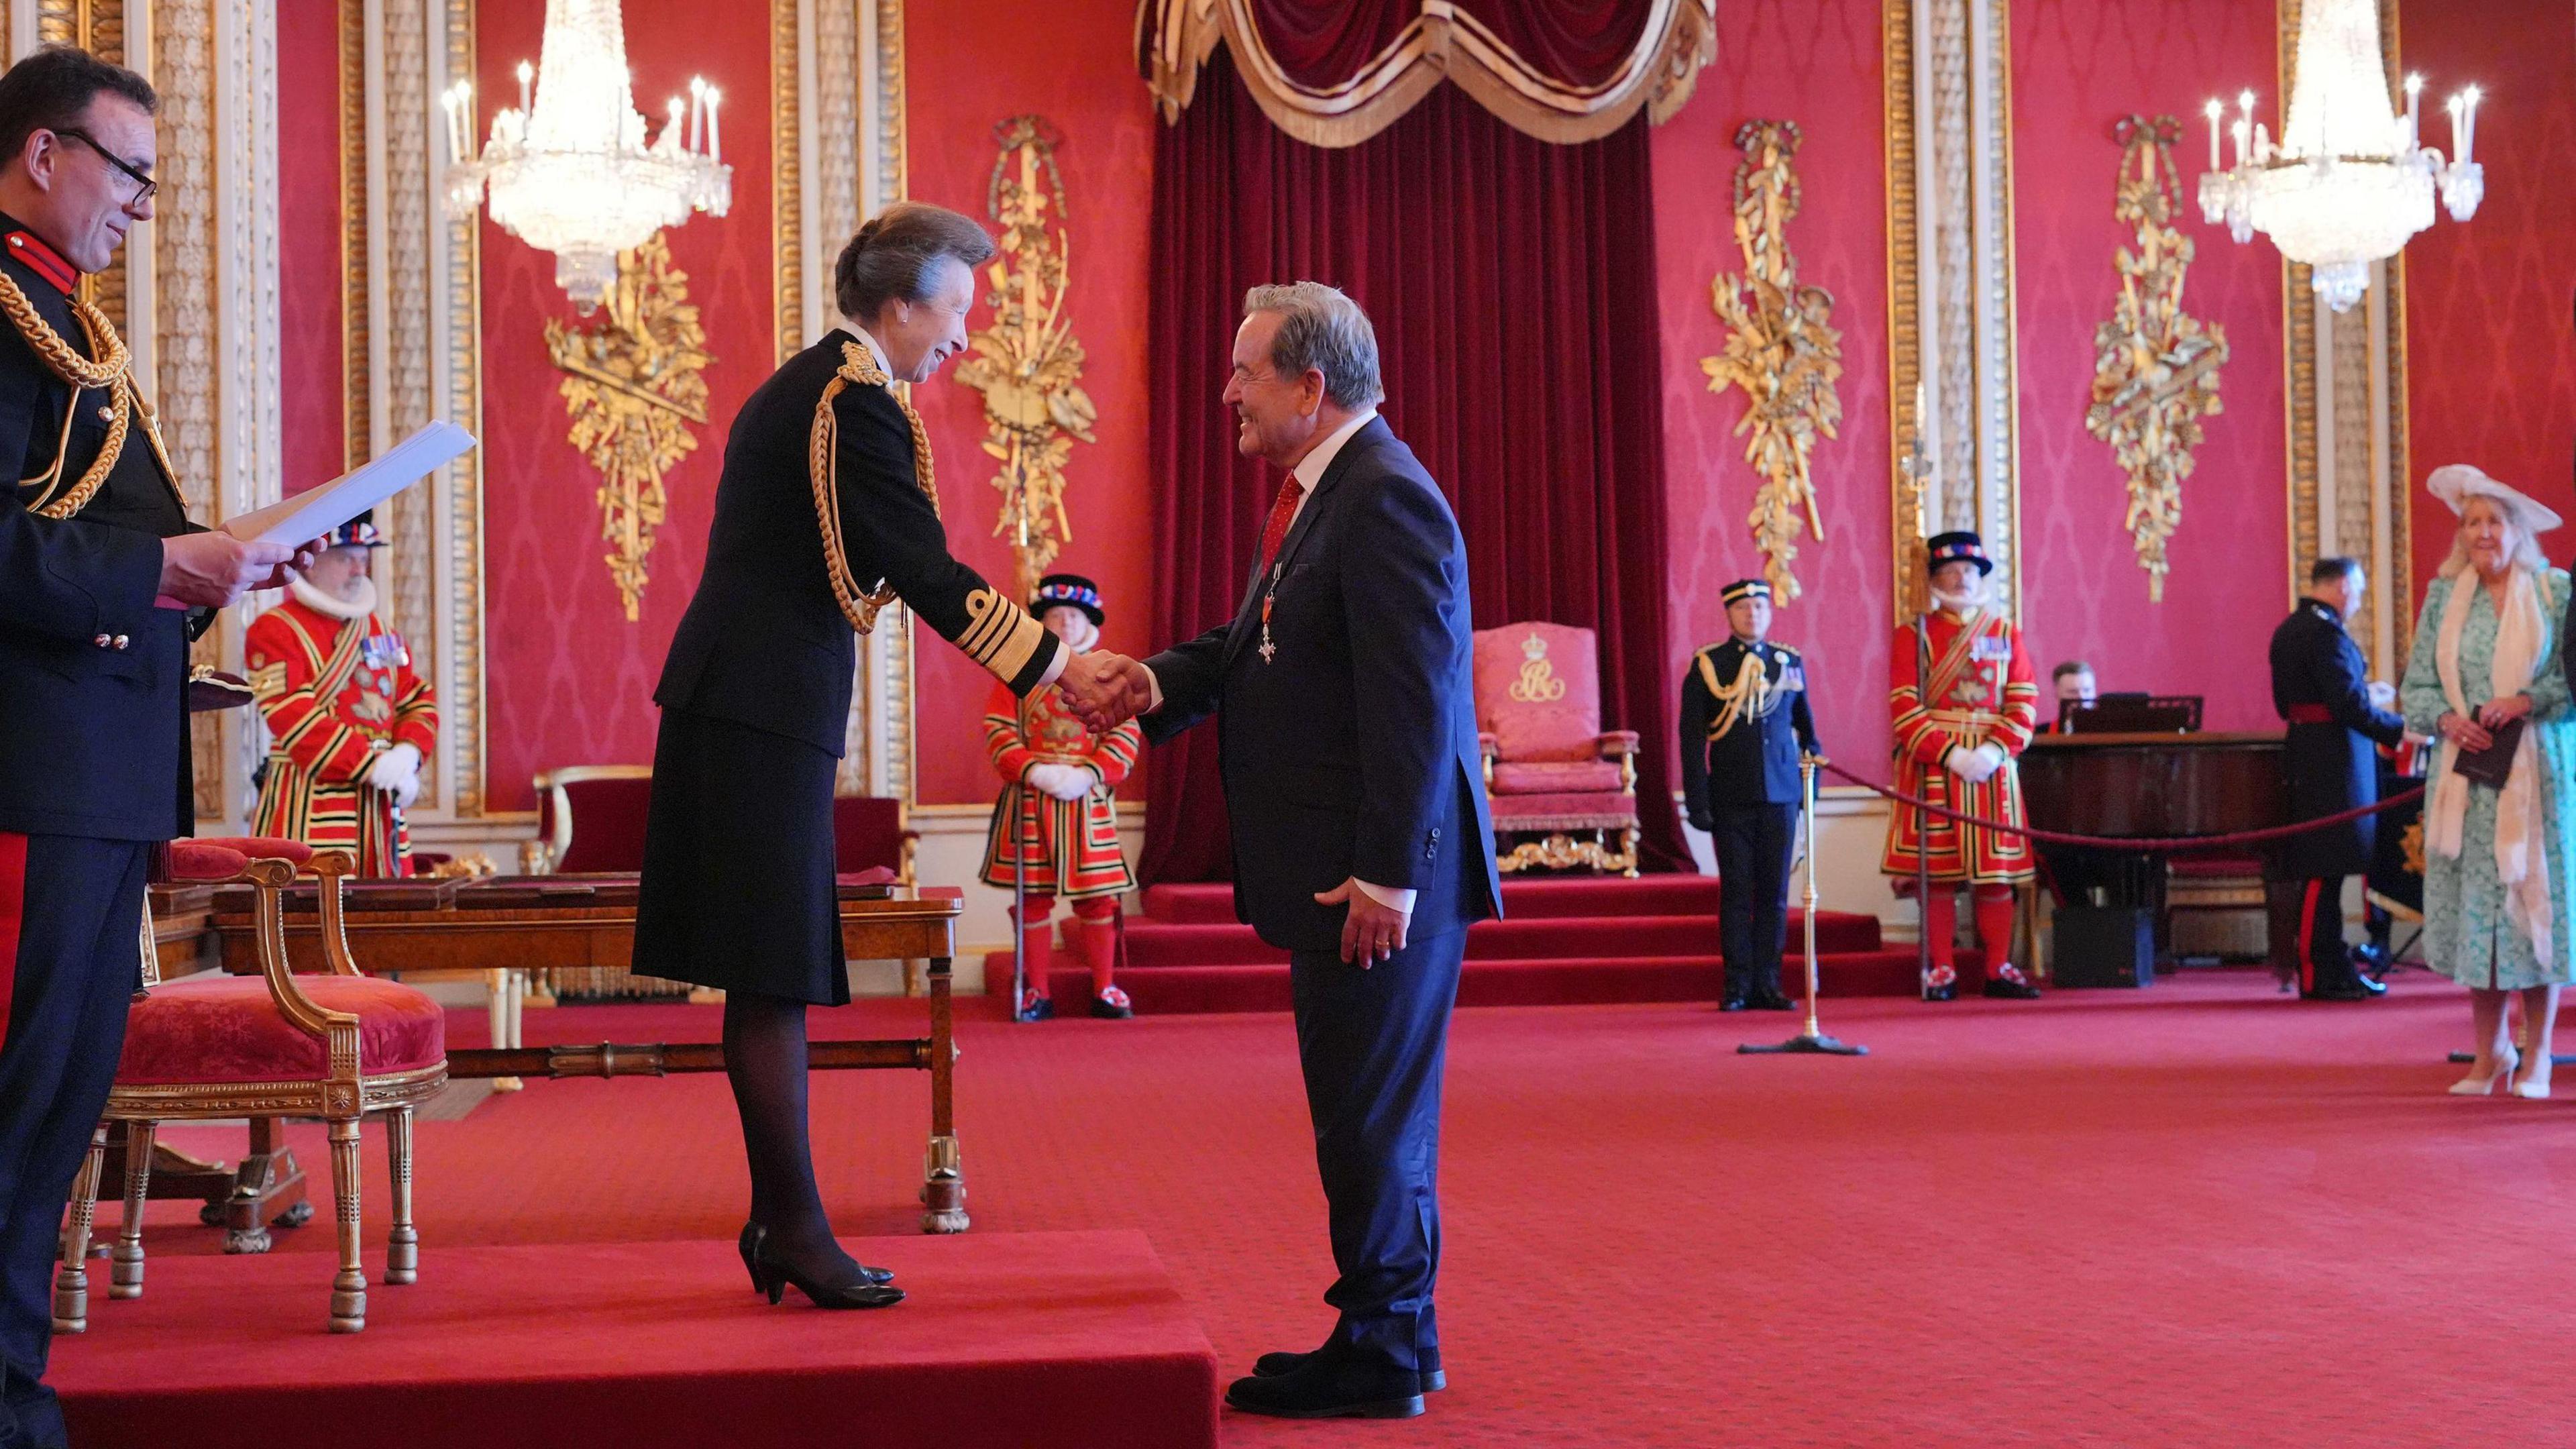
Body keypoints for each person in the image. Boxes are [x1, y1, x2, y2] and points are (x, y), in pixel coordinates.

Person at [632, 202, 1099, 1311]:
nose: (961, 337)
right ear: (898, 305)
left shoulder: (827, 389)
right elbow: (925, 569)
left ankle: (783, 1223)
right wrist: (1055, 665)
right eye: (953, 312)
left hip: (754, 703)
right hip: (755, 709)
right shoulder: (851, 403)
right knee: (773, 968)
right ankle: (792, 1227)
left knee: (770, 968)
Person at [1061, 282, 1498, 1420]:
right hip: (1355, 870)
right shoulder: (1330, 492)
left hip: (1378, 882)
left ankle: (1383, 1354)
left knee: (1369, 1119)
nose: (1228, 393)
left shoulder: (1384, 500)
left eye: (1245, 372)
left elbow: (1414, 707)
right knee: (1369, 1115)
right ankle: (1398, 1332)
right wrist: (1153, 681)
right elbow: (1260, 647)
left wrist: (1388, 873)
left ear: (1310, 388)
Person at [0, 46, 315, 1449]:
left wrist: (204, 561)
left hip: (98, 776)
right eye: (128, 171)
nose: (142, 203)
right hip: (32, 780)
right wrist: (157, 573)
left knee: (54, 1113)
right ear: (45, 154)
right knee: (20, 1107)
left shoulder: (63, 322)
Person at [2399, 464, 2576, 1099]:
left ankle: (2539, 1057)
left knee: (2533, 910)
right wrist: (2447, 719)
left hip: (2539, 772)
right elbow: (2415, 686)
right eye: (2471, 522)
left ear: (2517, 530)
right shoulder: (2445, 596)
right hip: (2467, 777)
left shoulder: (2554, 590)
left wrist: (2523, 702)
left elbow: (2570, 681)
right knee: (2480, 916)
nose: (2482, 533)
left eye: (2494, 522)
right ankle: (2490, 1053)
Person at [1881, 531, 2042, 1000]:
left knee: (1996, 874)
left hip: (1994, 768)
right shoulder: (1913, 635)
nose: (1962, 580)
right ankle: (1943, 969)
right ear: (1934, 580)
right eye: (1951, 572)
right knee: (1940, 875)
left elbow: (2025, 701)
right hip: (1937, 765)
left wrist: (1995, 752)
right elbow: (1905, 708)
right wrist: (1951, 755)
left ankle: (1998, 967)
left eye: (1970, 572)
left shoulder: (2005, 633)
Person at [979, 572, 1143, 1021]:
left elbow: (1125, 736)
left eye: (1073, 616)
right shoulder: (1015, 675)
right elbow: (999, 732)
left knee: (1097, 899)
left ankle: (1105, 987)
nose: (1065, 624)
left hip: (1088, 805)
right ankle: (1036, 990)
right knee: (1033, 898)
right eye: (1056, 616)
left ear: (1087, 620)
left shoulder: (1111, 675)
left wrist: (1089, 773)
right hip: (1032, 801)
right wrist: (1035, 769)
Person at [244, 513, 438, 877]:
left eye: (363, 559)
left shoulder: (383, 632)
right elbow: (294, 717)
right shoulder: (275, 630)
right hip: (311, 803)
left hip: (382, 807)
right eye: (345, 558)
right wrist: (373, 765)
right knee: (309, 914)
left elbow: (417, 700)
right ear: (311, 565)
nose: (358, 570)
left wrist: (408, 754)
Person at [2265, 557, 2406, 1001]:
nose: (2360, 601)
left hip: (2317, 756)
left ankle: (2334, 965)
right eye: (2360, 590)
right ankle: (2315, 970)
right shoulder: (2324, 633)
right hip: (2332, 763)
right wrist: (2400, 730)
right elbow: (2346, 706)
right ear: (2343, 586)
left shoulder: (2291, 628)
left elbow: (2301, 701)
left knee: (2329, 869)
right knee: (2321, 871)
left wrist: (2365, 698)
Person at [1678, 578, 1819, 1012]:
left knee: (1775, 895)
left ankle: (1769, 984)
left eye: (1759, 607)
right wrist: (1698, 801)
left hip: (1781, 797)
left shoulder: (1788, 662)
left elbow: (1808, 734)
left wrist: (1809, 797)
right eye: (1743, 609)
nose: (1752, 615)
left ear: (1769, 613)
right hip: (1731, 796)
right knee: (1738, 894)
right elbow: (1691, 738)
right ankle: (1737, 985)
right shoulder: (1709, 665)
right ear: (1729, 614)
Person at [2050, 659, 2097, 731]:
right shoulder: (2041, 735)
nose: (2082, 697)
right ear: (2057, 696)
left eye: (2087, 690)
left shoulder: (2113, 733)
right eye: (2073, 692)